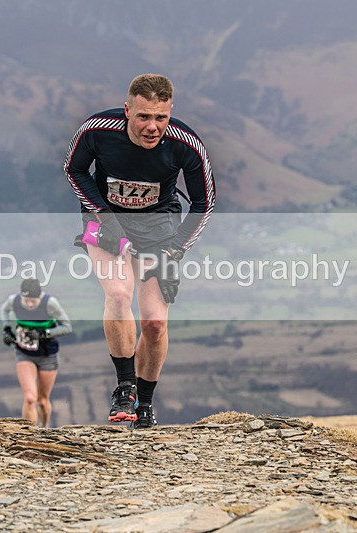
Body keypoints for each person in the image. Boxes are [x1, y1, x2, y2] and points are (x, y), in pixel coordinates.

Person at [63, 73, 216, 428]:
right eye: (143, 116)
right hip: (105, 221)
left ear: (170, 112)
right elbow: (74, 170)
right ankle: (125, 387)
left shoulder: (186, 144)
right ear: (128, 109)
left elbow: (203, 203)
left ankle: (144, 404)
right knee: (118, 294)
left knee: (155, 323)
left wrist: (176, 248)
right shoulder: (97, 130)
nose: (152, 126)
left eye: (160, 117)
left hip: (158, 230)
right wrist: (103, 214)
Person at [1, 278, 72, 427]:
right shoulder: (13, 301)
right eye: (26, 300)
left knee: (42, 400)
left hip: (47, 355)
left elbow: (66, 327)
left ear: (39, 297)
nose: (30, 304)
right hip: (24, 353)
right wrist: (7, 330)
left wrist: (43, 333)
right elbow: (4, 310)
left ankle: (44, 428)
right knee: (30, 398)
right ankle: (30, 434)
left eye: (33, 301)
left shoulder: (50, 303)